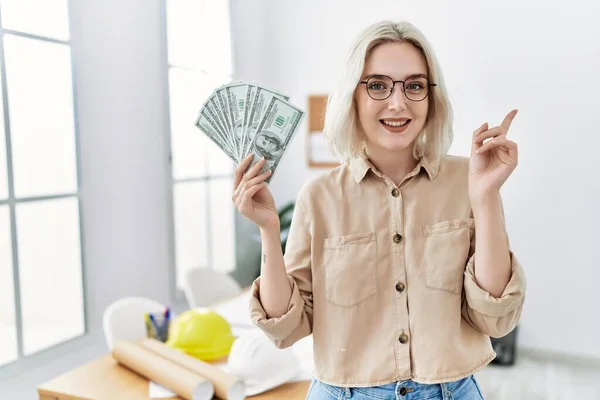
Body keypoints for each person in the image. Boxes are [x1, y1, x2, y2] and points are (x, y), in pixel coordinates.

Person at [232, 20, 526, 400]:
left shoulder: (468, 180)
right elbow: (287, 329)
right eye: (377, 85)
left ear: (431, 98)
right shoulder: (318, 197)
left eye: (415, 85)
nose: (398, 103)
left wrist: (486, 198)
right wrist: (269, 231)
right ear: (353, 96)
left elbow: (495, 318)